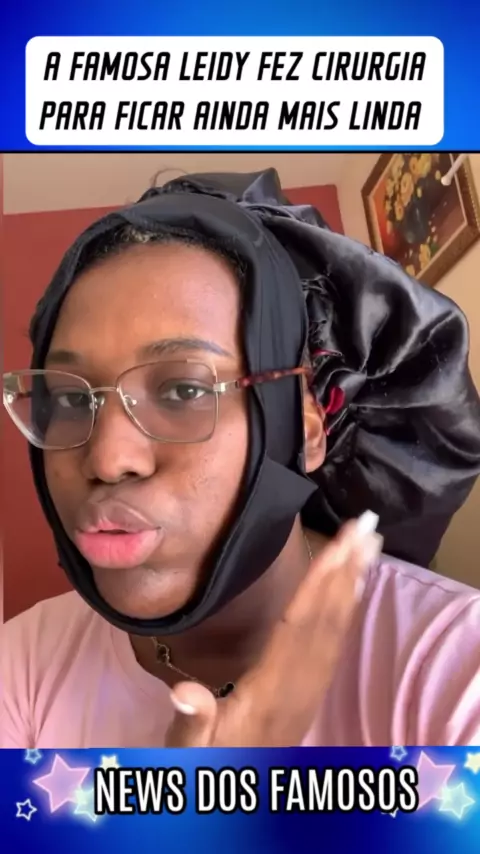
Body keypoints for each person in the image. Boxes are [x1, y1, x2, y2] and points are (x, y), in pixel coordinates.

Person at [2, 168, 480, 748]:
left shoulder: (455, 665)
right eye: (72, 399)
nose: (107, 459)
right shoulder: (22, 664)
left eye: (184, 390)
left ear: (304, 430)